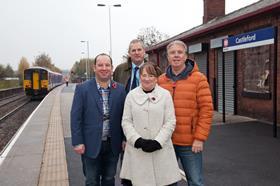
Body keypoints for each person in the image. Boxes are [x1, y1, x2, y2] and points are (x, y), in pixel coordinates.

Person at [158, 40, 213, 186]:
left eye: (179, 52)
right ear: (168, 57)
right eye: (172, 53)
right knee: (166, 182)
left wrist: (200, 138)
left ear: (186, 56)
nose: (176, 55)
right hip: (166, 142)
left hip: (190, 143)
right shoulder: (160, 81)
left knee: (195, 181)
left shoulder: (199, 79)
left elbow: (206, 110)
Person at [120, 62, 181, 186]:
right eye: (144, 75)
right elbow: (126, 121)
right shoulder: (131, 96)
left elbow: (170, 121)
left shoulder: (165, 95)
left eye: (151, 75)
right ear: (139, 76)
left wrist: (158, 142)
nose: (147, 79)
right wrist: (137, 140)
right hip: (137, 152)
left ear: (157, 77)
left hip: (161, 151)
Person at [71, 53, 126, 186]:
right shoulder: (82, 89)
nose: (104, 68)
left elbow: (125, 117)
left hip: (113, 144)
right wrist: (77, 142)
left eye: (107, 65)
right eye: (100, 65)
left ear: (112, 68)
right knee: (91, 180)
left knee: (109, 179)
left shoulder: (120, 89)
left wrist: (124, 139)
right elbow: (76, 117)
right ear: (94, 68)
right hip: (90, 144)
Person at [113, 39, 161, 185]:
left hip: (149, 126)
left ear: (144, 51)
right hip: (126, 123)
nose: (136, 52)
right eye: (133, 50)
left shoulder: (155, 69)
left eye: (139, 49)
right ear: (129, 53)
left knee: (147, 169)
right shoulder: (120, 70)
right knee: (128, 168)